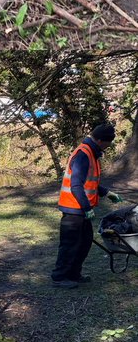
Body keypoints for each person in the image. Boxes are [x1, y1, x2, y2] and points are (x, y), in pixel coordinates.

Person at [52, 122, 122, 288]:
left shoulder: (92, 153)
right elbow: (76, 185)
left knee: (85, 242)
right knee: (70, 244)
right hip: (73, 209)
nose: (107, 147)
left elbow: (89, 183)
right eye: (107, 144)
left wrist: (107, 193)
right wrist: (87, 208)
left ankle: (74, 274)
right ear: (99, 140)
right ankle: (59, 277)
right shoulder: (84, 154)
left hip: (80, 210)